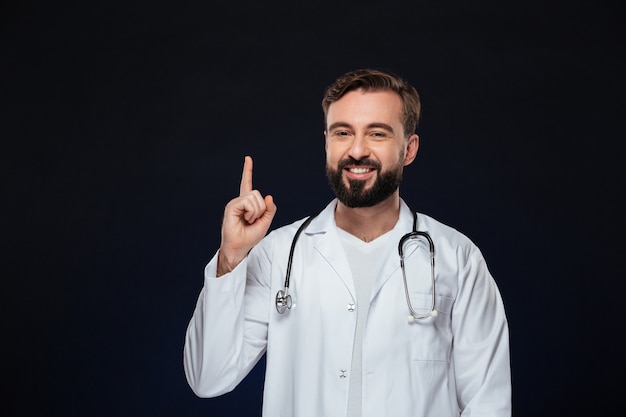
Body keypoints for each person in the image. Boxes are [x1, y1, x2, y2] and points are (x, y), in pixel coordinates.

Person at [184, 68, 511, 416]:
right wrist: (232, 257)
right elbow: (208, 378)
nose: (357, 150)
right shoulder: (279, 255)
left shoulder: (457, 259)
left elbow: (487, 403)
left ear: (409, 149)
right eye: (343, 133)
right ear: (327, 142)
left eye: (377, 134)